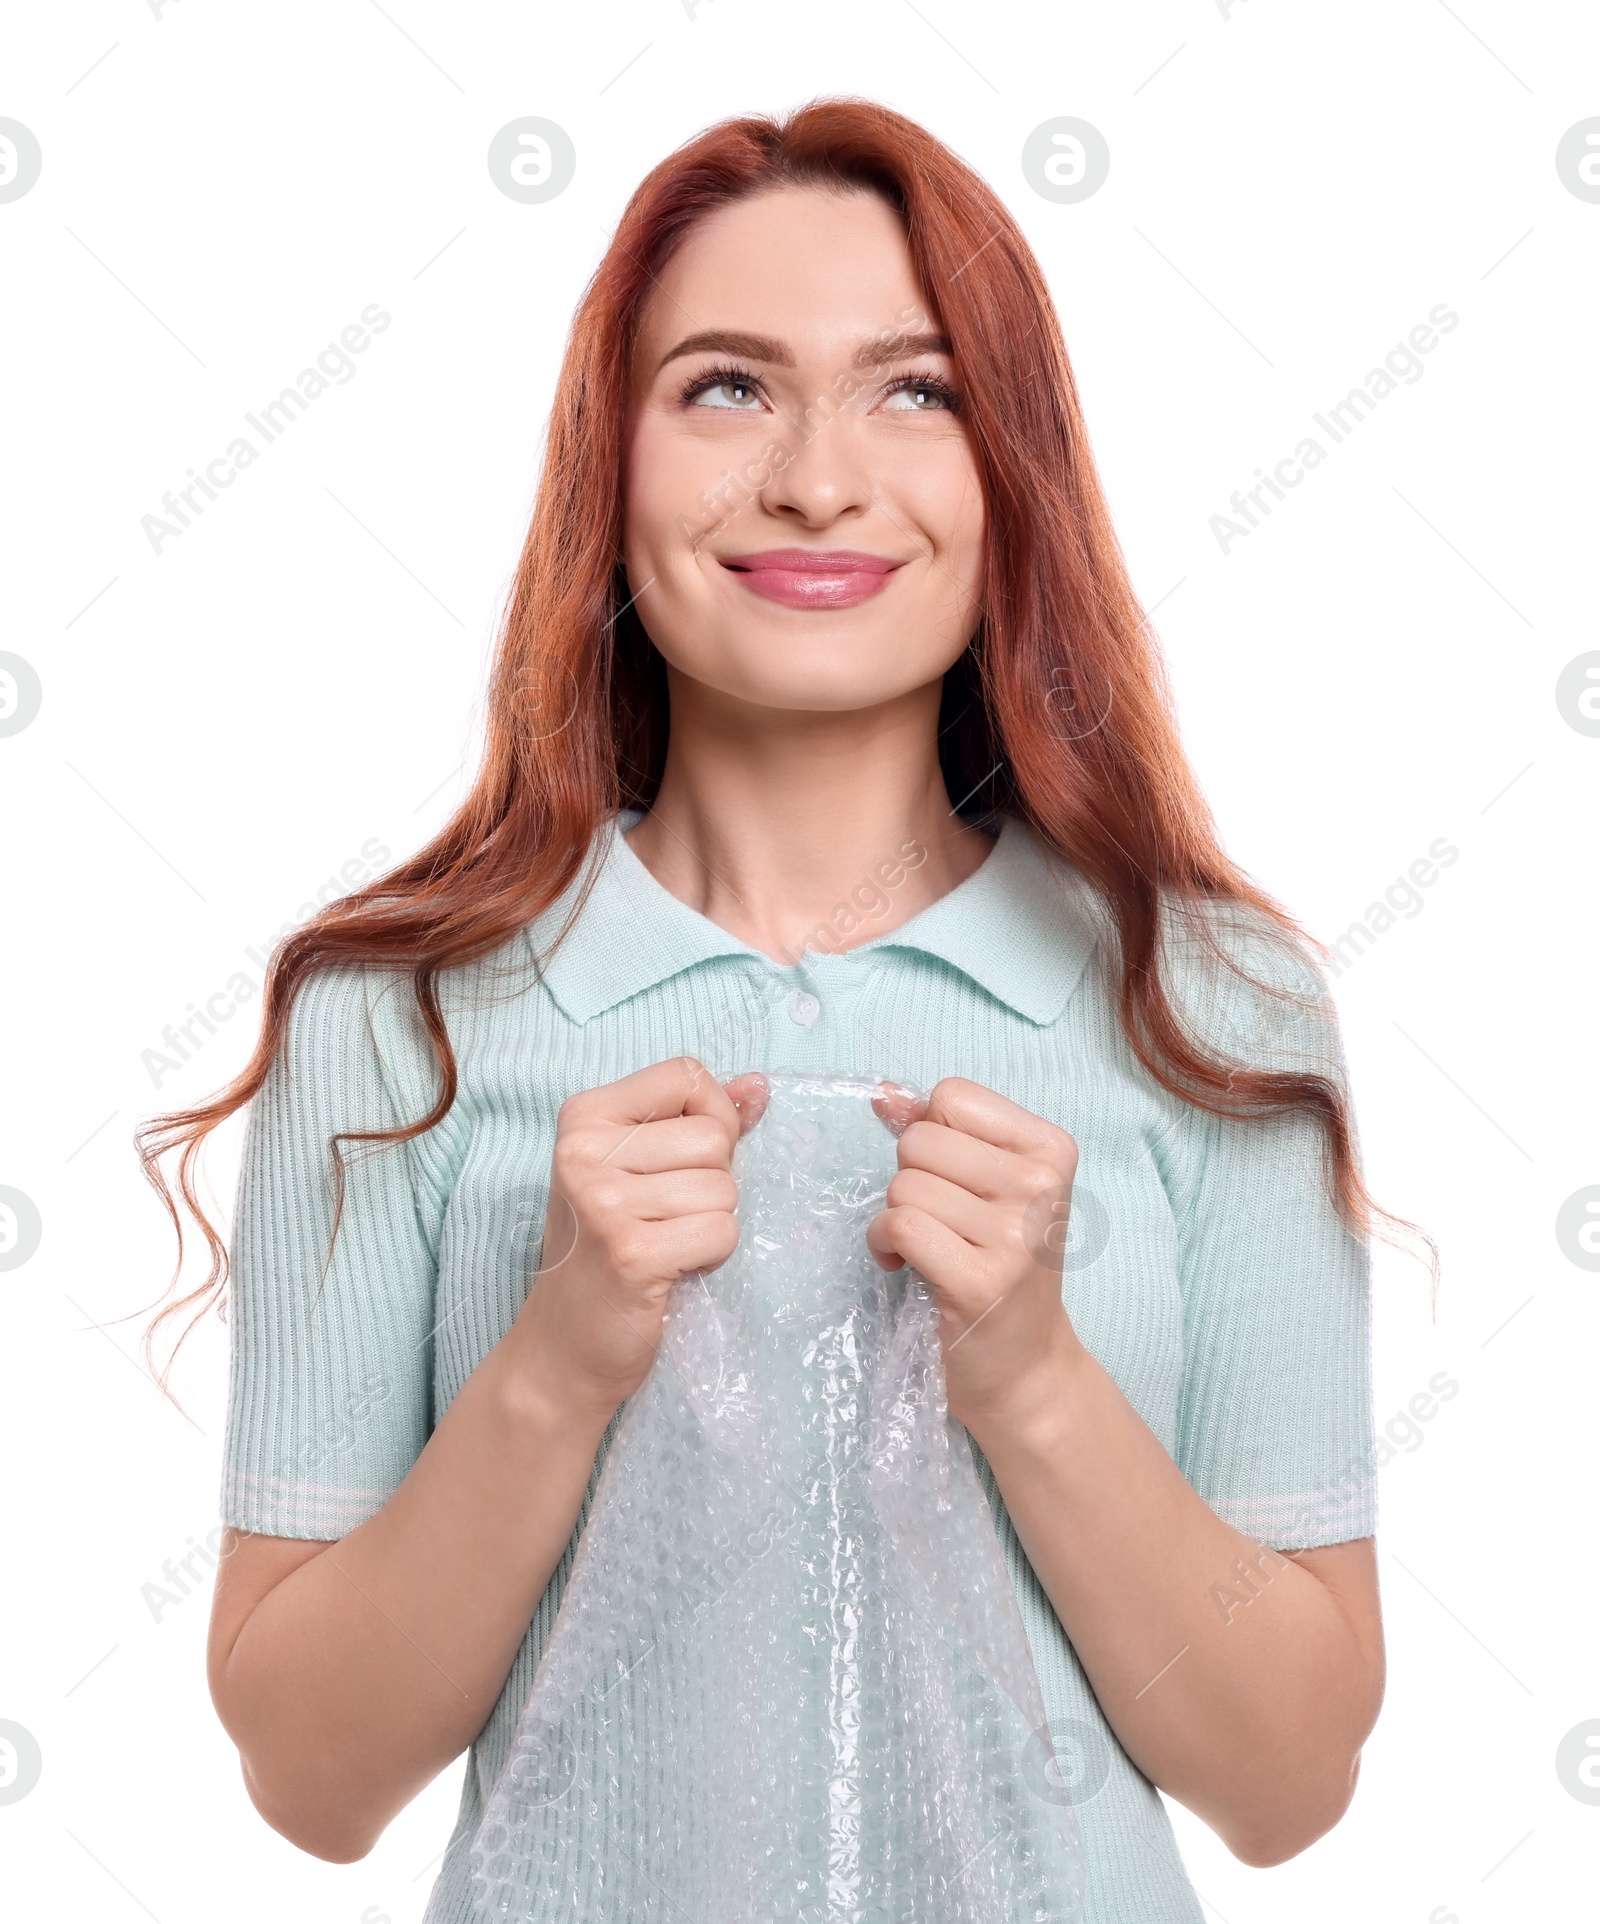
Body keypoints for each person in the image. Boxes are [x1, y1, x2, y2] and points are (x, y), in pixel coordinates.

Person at [139, 98, 1410, 1924]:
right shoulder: (398, 1019)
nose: (819, 480)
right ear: (611, 459)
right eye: (728, 388)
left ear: (1013, 471)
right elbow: (314, 1784)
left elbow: (1288, 1787)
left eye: (918, 391)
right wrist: (559, 1353)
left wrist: (1038, 1378)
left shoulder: (1209, 1006)